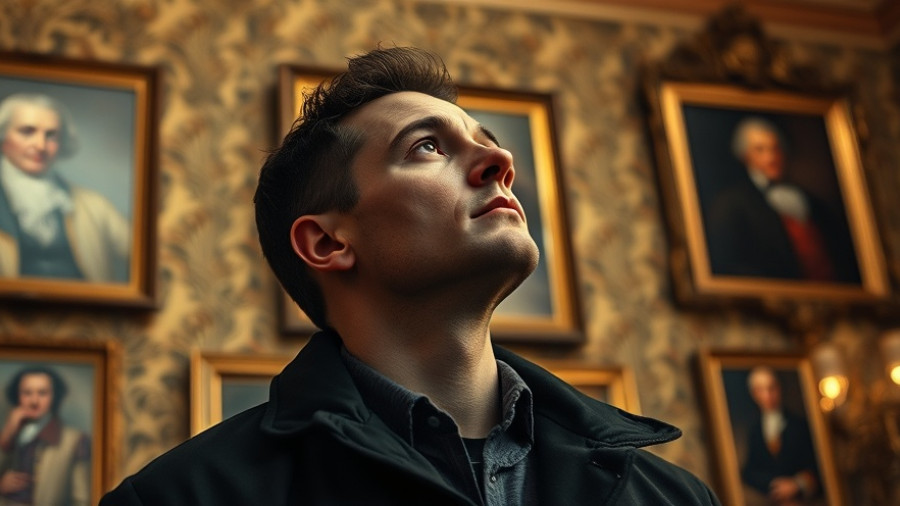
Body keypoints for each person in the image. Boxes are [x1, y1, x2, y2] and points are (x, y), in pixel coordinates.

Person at [101, 47, 720, 505]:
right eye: (427, 146)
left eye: (489, 142)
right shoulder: (180, 499)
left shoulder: (672, 496)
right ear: (326, 242)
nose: (502, 163)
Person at [705, 117, 859, 283]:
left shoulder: (810, 200)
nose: (771, 157)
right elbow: (729, 264)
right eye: (760, 150)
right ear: (745, 156)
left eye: (775, 149)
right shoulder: (731, 204)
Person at [0, 93, 130, 282]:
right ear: (3, 137)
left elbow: (144, 255)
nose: (40, 145)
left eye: (51, 135)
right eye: (27, 131)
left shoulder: (93, 204)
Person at [0, 366, 91, 506]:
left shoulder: (74, 440)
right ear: (17, 395)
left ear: (54, 396)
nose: (34, 401)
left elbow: (81, 500)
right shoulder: (10, 433)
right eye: (27, 393)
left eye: (42, 393)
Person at [741, 367, 820, 506]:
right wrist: (773, 484)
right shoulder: (754, 431)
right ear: (754, 394)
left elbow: (818, 464)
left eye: (771, 388)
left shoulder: (799, 425)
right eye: (761, 390)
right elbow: (749, 471)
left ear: (779, 388)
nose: (768, 395)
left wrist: (797, 484)